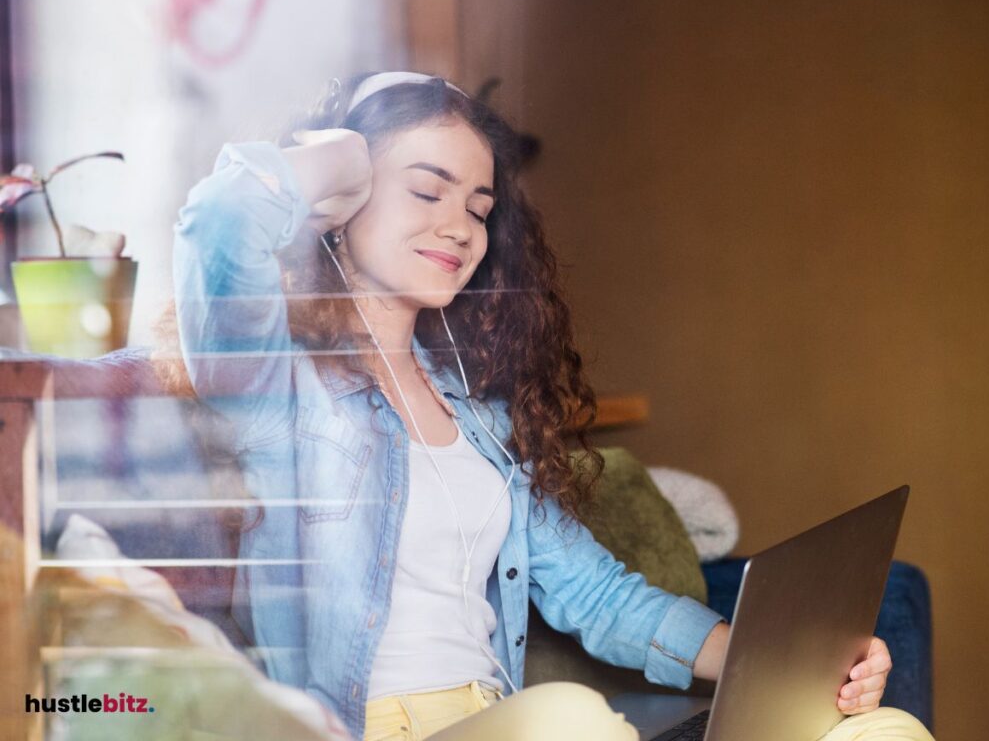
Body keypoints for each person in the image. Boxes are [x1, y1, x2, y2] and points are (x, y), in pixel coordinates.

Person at [169, 71, 934, 741]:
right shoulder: (275, 387)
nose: (458, 227)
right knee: (567, 718)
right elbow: (221, 219)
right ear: (345, 203)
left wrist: (783, 662)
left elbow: (599, 596)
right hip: (369, 725)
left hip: (497, 719)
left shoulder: (481, 417)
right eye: (425, 189)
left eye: (477, 206)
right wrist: (338, 152)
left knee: (877, 728)